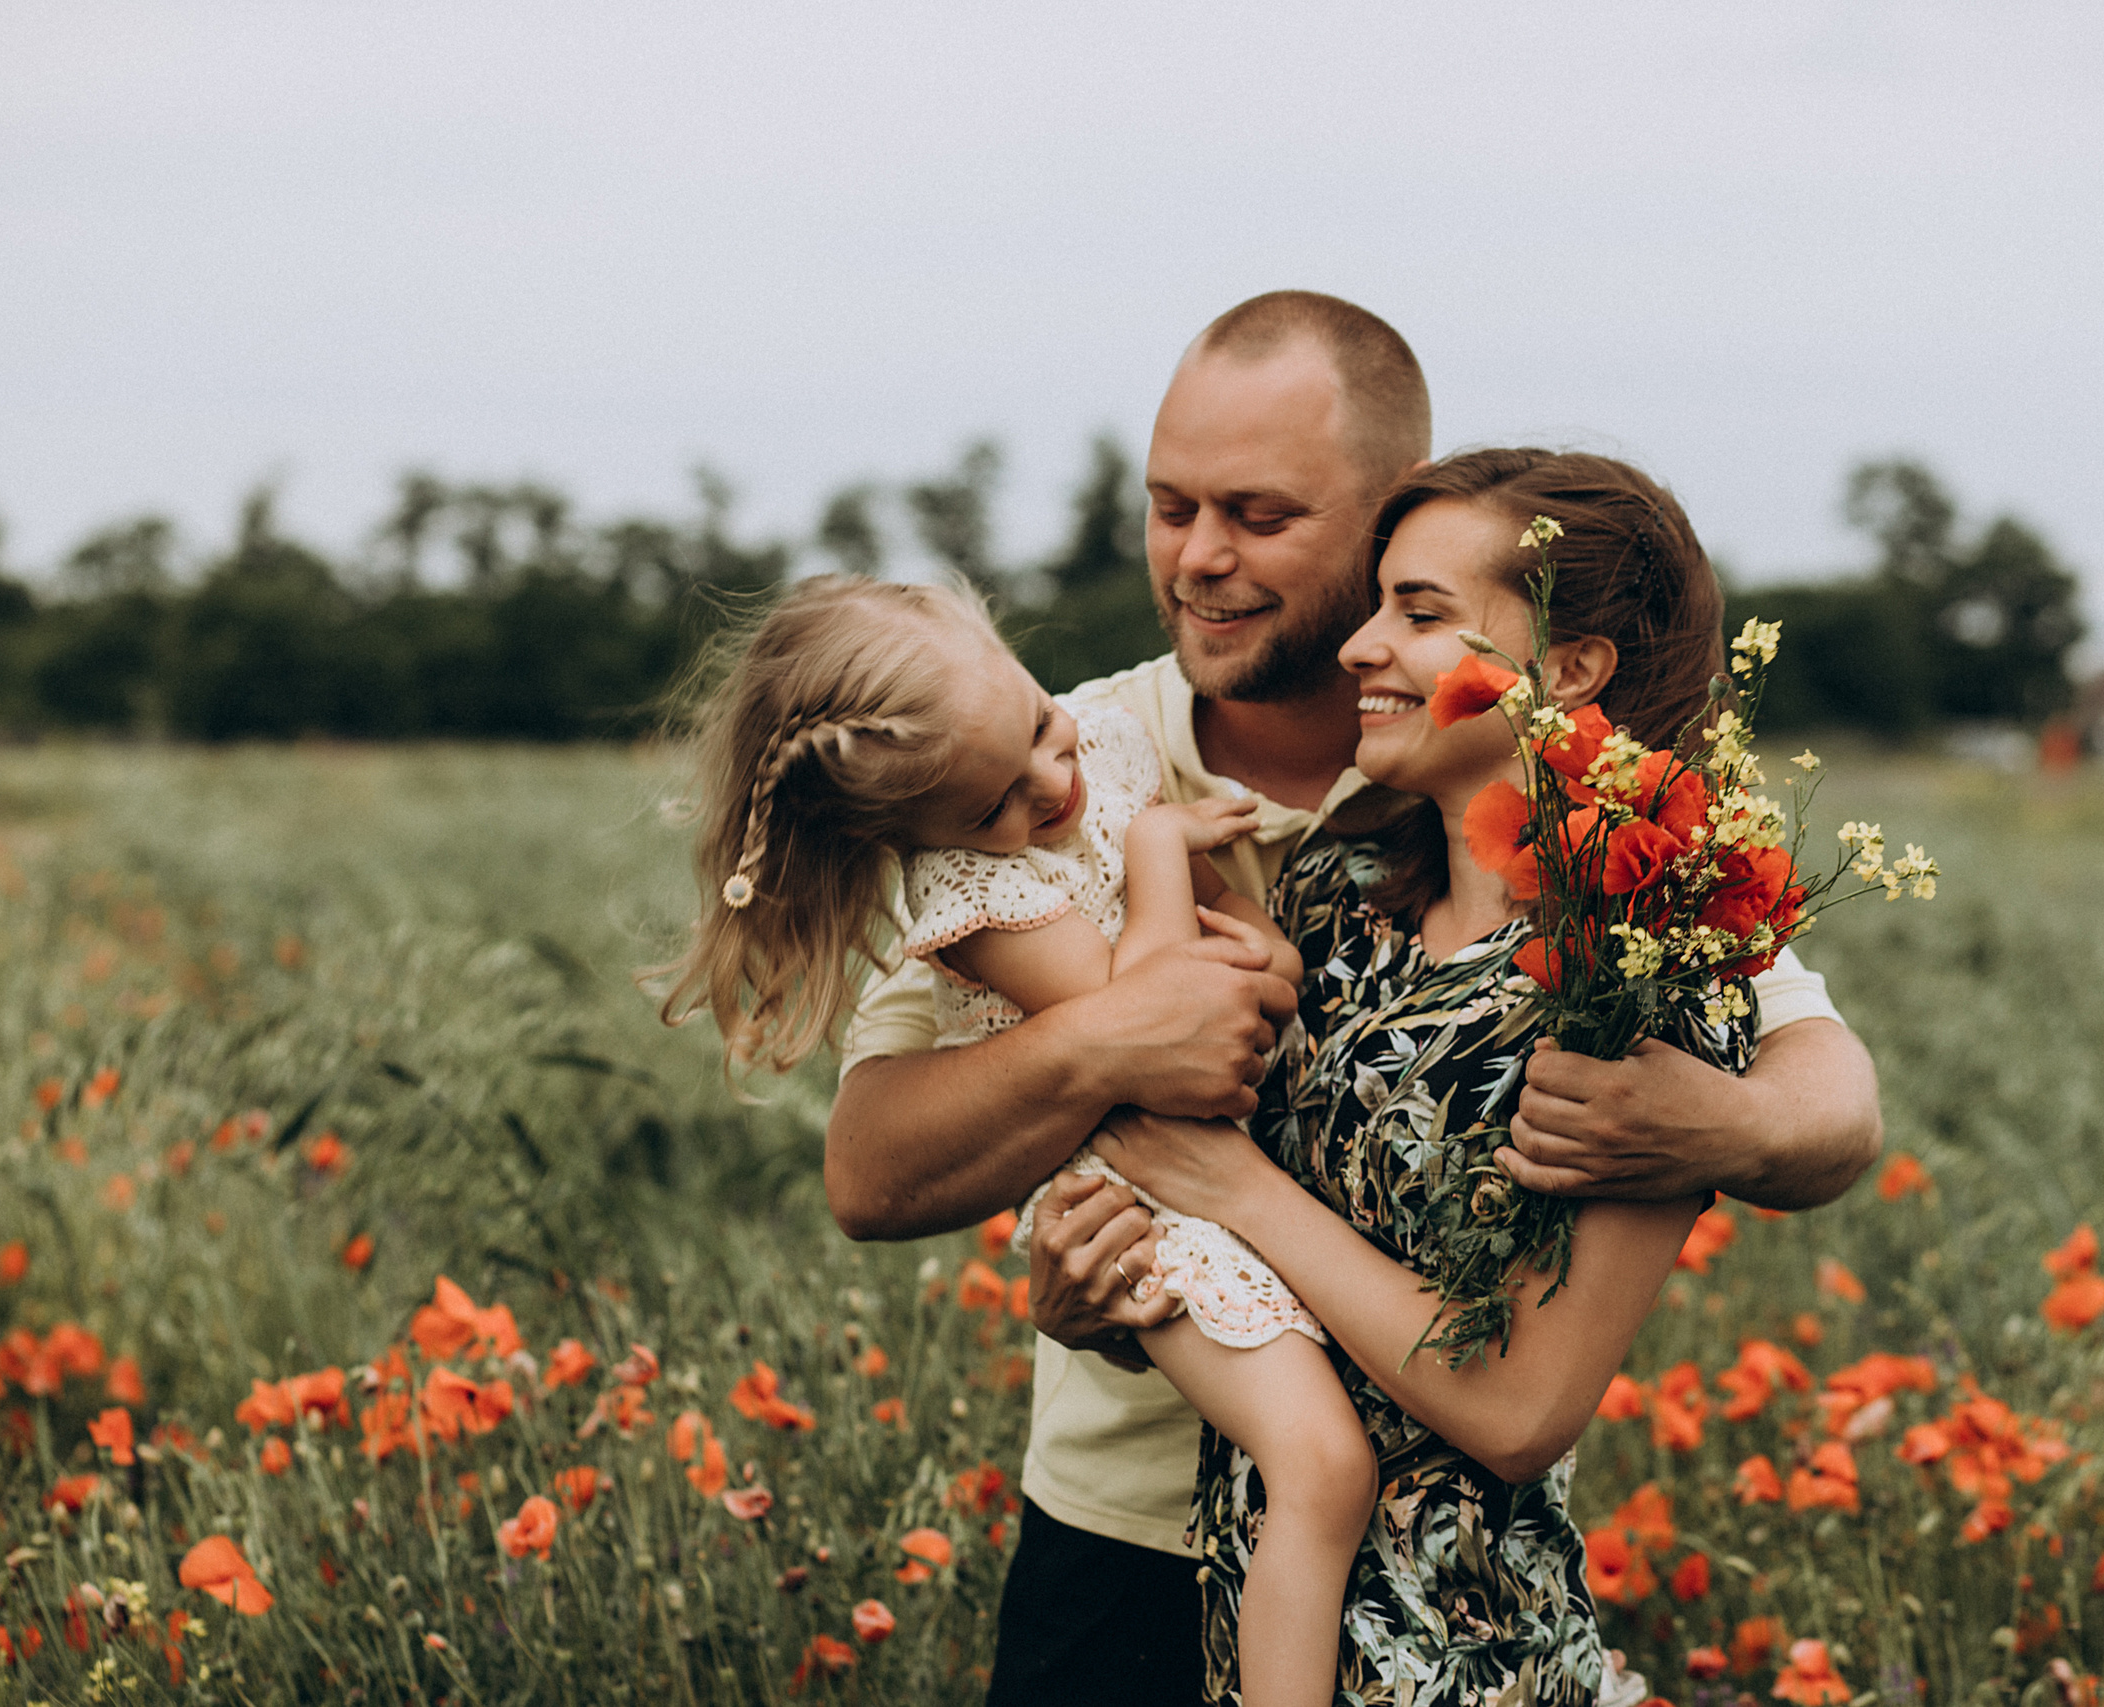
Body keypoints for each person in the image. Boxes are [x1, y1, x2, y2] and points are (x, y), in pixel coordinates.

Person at [824, 292, 1882, 1704]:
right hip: (1125, 1535)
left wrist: (1722, 1130)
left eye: (1259, 515)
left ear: (1388, 521)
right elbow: (872, 1158)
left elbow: (1824, 1091)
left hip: (1431, 1583)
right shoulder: (1048, 756)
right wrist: (1112, 1060)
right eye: (1171, 505)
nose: (1200, 557)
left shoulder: (1581, 858)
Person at [655, 573, 1377, 1707]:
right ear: (909, 836)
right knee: (1324, 1467)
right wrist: (1153, 857)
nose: (1051, 785)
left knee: (1337, 1466)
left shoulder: (1108, 745)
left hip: (1230, 1178)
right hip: (1139, 1208)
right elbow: (1141, 1014)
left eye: (1041, 724)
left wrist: (1257, 963)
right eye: (992, 801)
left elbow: (1239, 966)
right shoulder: (975, 892)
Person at [1102, 446, 1743, 1702]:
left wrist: (1233, 1189)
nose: (1358, 646)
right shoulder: (1336, 900)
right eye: (1378, 601)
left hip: (1459, 1657)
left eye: (1422, 614)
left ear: (1567, 672)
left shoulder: (1638, 986)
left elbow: (1517, 1409)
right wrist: (1108, 1263)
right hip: (1250, 1629)